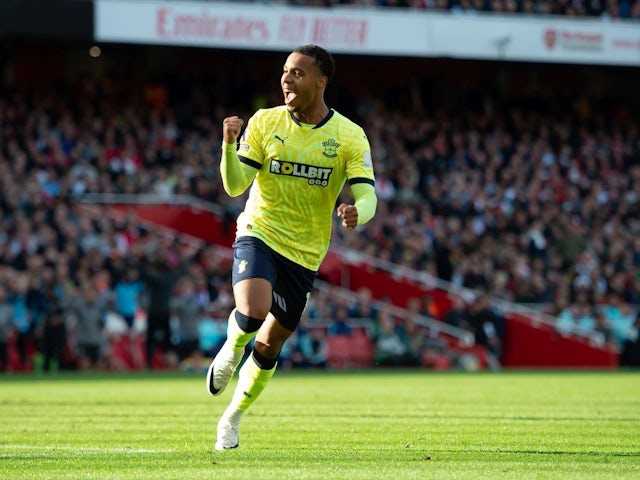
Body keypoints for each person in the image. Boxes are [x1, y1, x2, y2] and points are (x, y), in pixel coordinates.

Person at [206, 44, 377, 450]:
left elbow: (368, 194)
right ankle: (230, 350)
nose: (287, 78)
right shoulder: (265, 122)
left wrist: (359, 212)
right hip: (260, 232)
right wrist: (229, 145)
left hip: (304, 253)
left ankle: (232, 418)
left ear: (321, 82)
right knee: (252, 311)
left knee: (269, 345)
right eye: (285, 71)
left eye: (298, 73)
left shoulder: (349, 136)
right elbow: (234, 185)